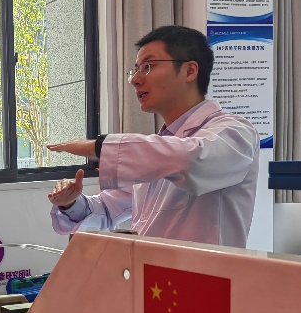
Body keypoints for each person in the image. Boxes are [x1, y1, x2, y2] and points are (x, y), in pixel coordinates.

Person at [47, 25, 259, 248]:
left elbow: (192, 160)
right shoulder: (156, 150)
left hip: (203, 270)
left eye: (148, 66)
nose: (135, 80)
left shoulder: (235, 132)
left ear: (190, 71)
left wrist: (98, 147)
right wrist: (71, 203)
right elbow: (108, 210)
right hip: (150, 269)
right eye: (135, 70)